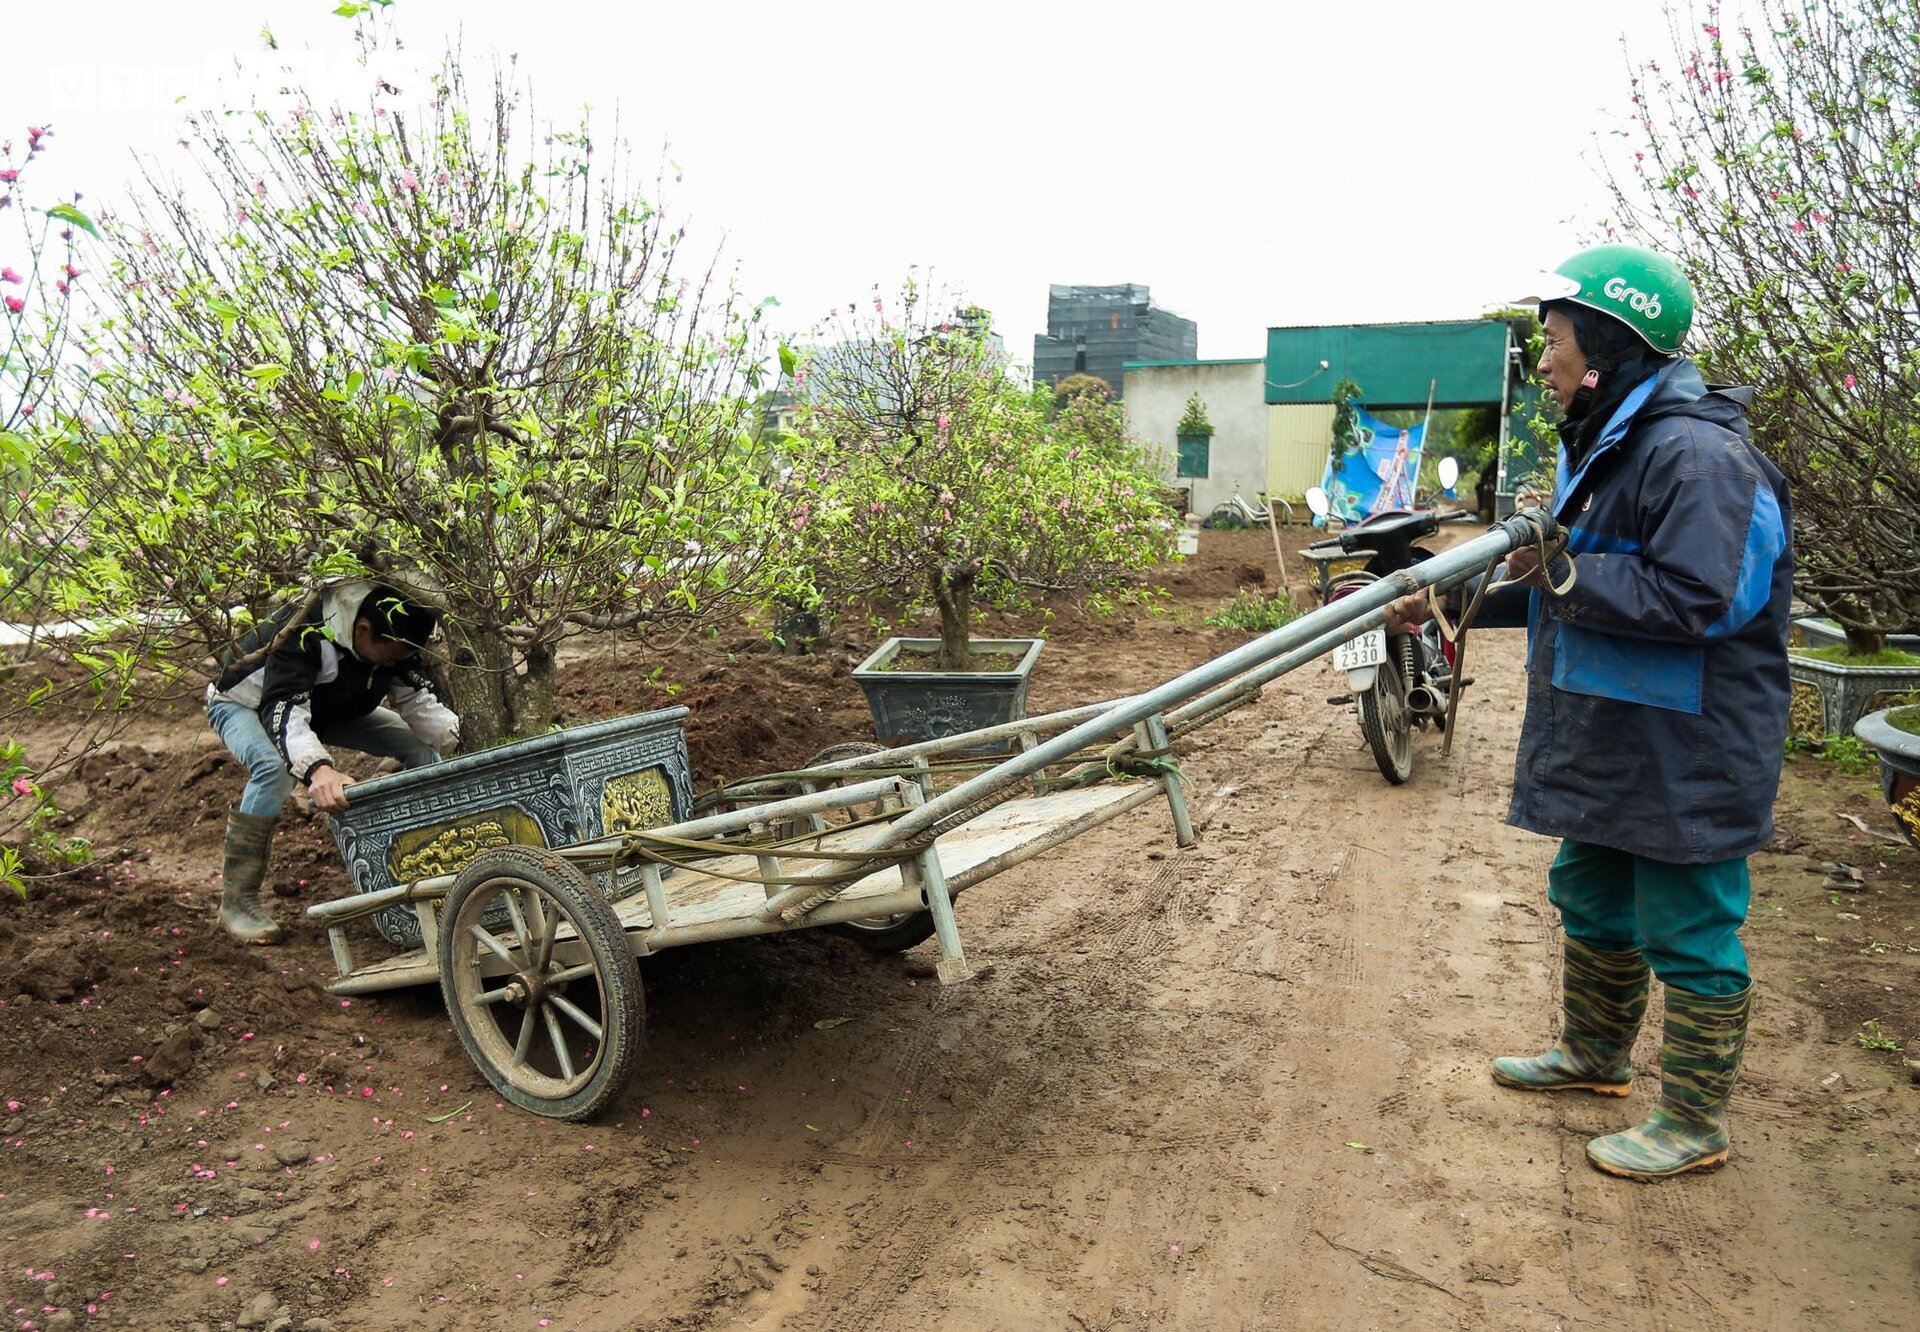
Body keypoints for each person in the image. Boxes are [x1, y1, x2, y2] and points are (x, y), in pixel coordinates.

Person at [1387, 243, 1792, 1180]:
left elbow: (1708, 595)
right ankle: (1597, 1055)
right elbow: (1563, 584)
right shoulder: (1614, 441)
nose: (1545, 361)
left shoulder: (1698, 454)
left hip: (1685, 738)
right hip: (1613, 726)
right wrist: (1450, 602)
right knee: (1593, 896)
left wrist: (1562, 569)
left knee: (1689, 922)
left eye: (1557, 339)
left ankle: (1695, 1121)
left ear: (1608, 346)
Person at [205, 581, 460, 945]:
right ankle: (238, 902)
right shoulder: (304, 630)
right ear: (362, 631)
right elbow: (284, 711)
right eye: (388, 657)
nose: (391, 664)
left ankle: (435, 857)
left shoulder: (398, 630)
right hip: (247, 704)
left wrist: (460, 743)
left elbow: (417, 703)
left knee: (419, 746)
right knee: (274, 767)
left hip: (328, 710)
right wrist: (317, 770)